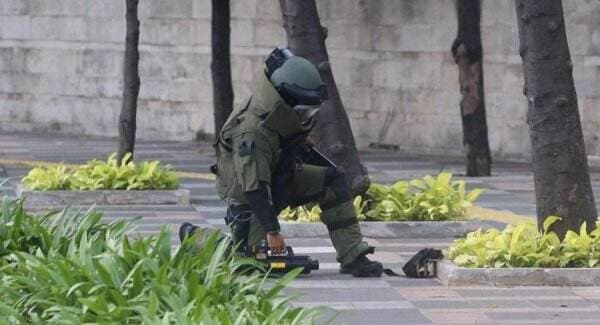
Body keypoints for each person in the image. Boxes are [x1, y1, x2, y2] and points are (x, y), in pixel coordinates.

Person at [180, 47, 383, 277]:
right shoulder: (252, 132)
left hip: (280, 177)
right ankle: (194, 236)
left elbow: (282, 145)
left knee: (333, 181)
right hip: (249, 198)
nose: (307, 118)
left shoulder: (277, 116)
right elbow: (254, 188)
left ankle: (353, 255)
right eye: (303, 112)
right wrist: (272, 232)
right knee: (249, 262)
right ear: (285, 101)